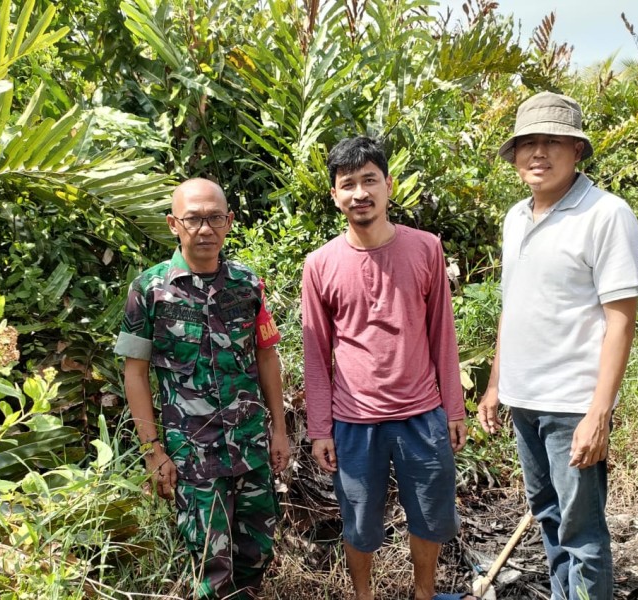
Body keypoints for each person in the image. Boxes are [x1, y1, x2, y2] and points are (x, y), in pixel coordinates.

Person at [477, 91, 638, 600]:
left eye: (552, 142)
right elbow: (514, 305)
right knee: (547, 517)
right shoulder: (514, 218)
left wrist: (599, 413)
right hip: (524, 401)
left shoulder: (606, 214)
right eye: (528, 143)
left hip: (572, 405)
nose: (538, 153)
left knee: (582, 534)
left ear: (576, 150)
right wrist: (496, 385)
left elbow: (621, 322)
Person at [302, 136, 474, 600]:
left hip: (422, 413)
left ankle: (423, 594)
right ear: (335, 195)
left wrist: (453, 410)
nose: (360, 192)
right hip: (354, 421)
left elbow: (443, 333)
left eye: (369, 180)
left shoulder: (425, 248)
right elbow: (316, 354)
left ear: (388, 186)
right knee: (359, 521)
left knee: (431, 515)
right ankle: (364, 595)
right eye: (348, 184)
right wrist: (320, 428)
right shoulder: (319, 265)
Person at [114, 178, 290, 600]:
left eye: (214, 218)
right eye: (194, 219)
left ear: (229, 222)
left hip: (249, 447)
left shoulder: (247, 284)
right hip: (192, 455)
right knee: (209, 567)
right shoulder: (149, 290)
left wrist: (279, 431)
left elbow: (266, 357)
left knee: (256, 553)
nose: (205, 229)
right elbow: (134, 374)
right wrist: (152, 451)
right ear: (174, 224)